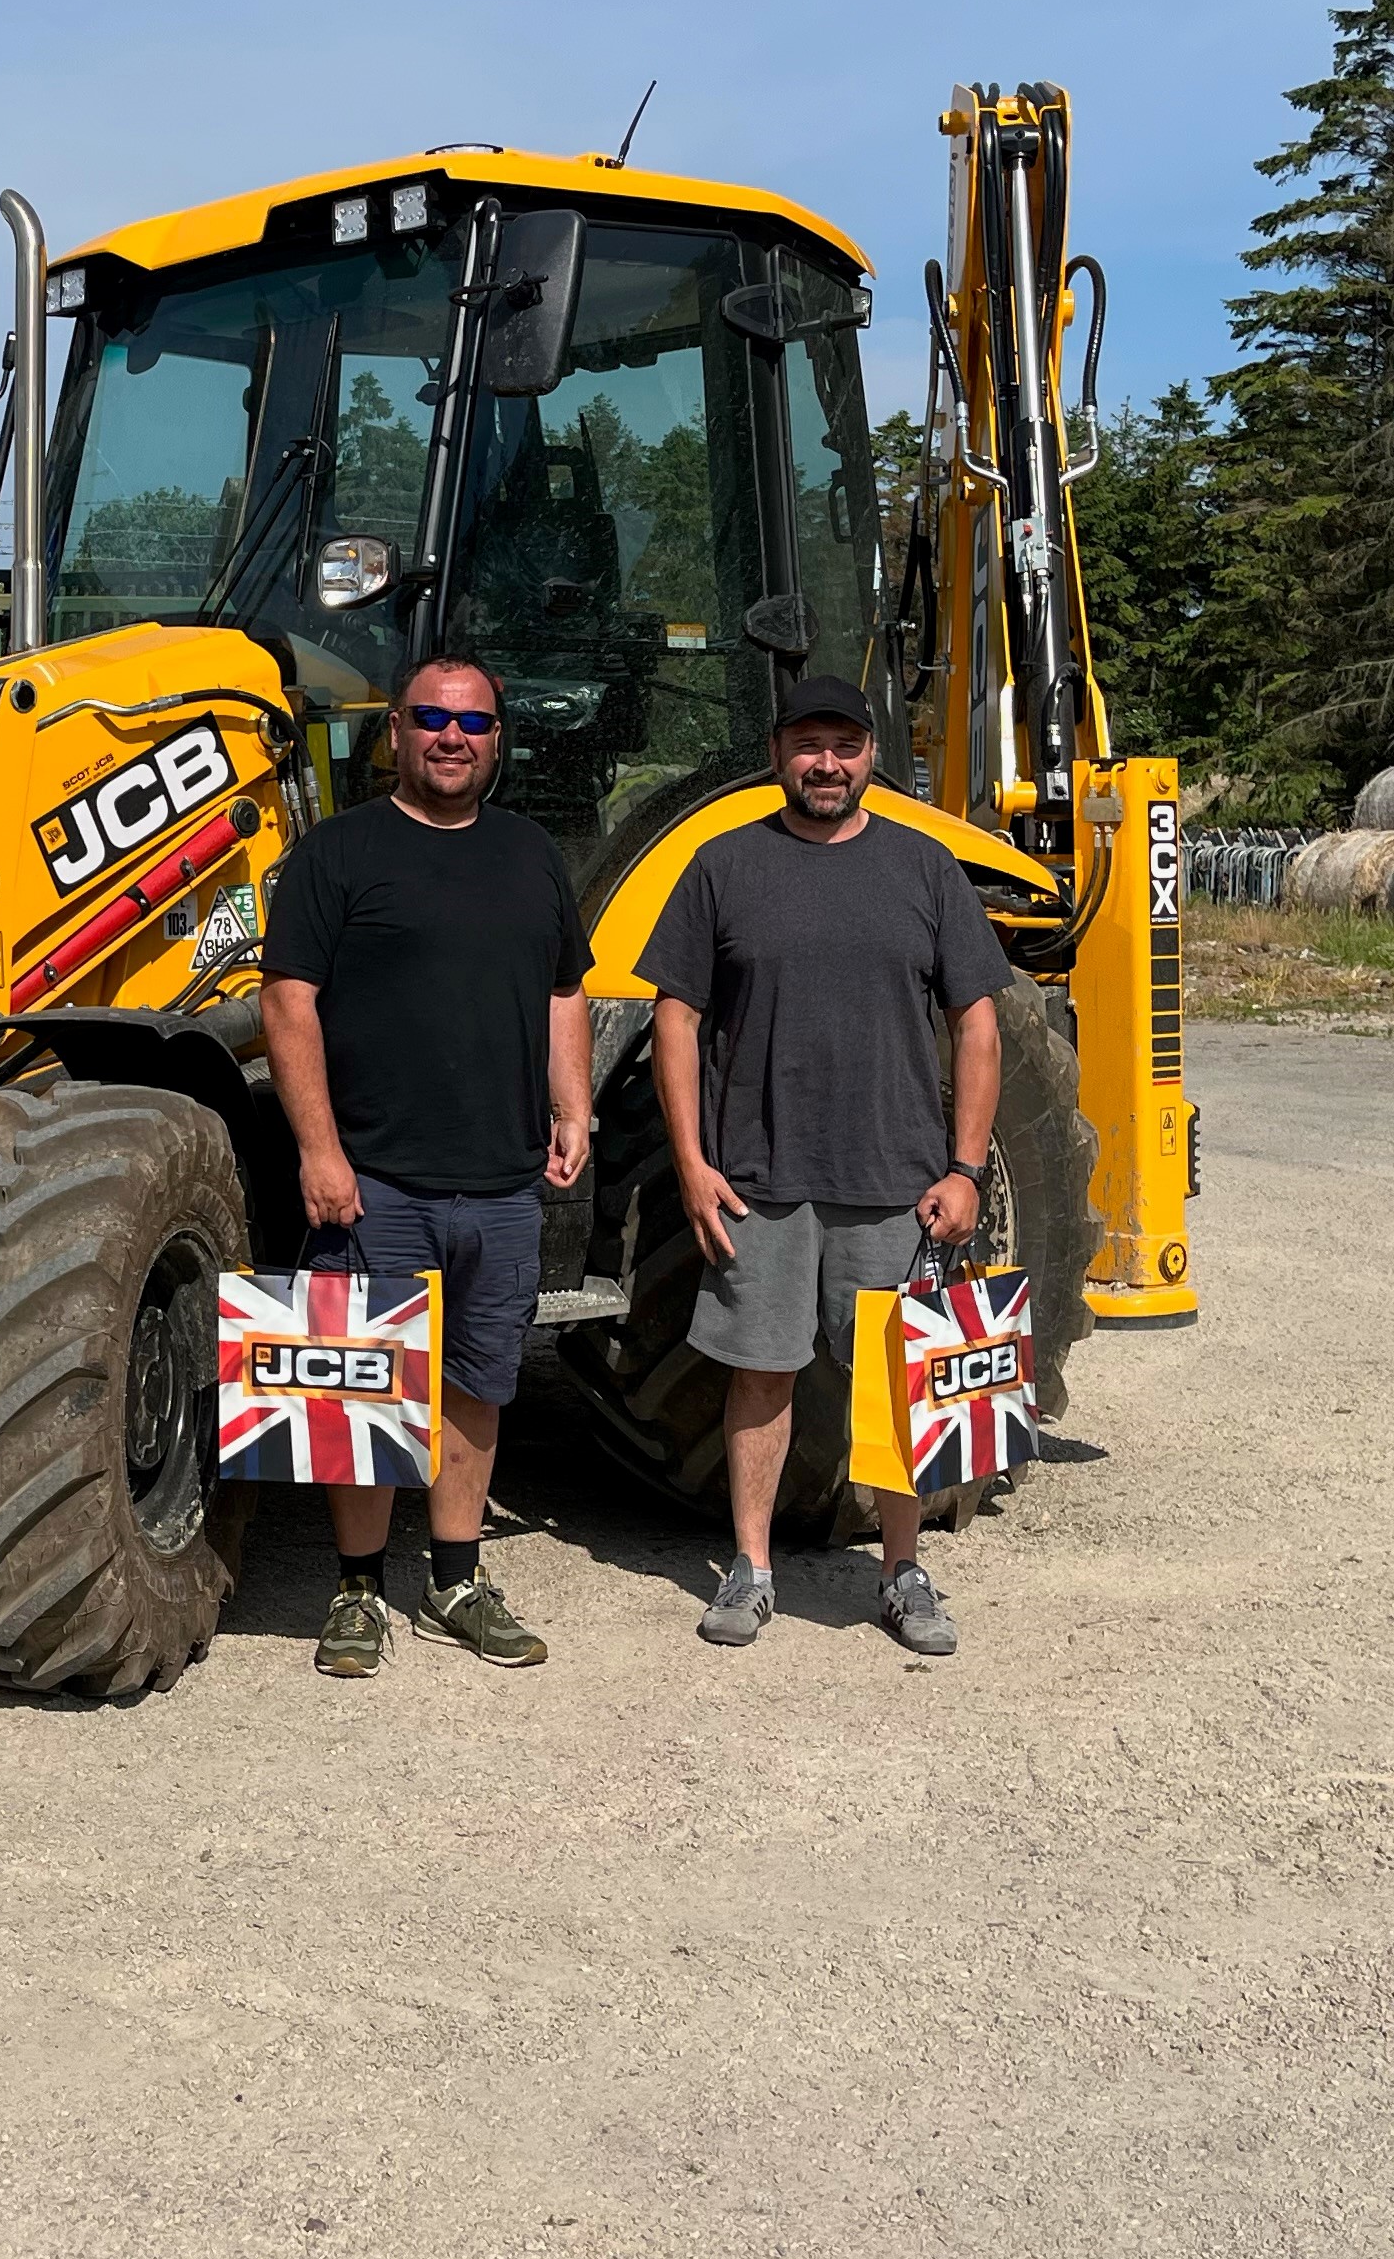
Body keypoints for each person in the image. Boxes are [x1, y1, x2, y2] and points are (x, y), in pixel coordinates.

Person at [639, 670, 1008, 1656]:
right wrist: (689, 1160)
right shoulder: (722, 866)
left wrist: (966, 1168)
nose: (828, 763)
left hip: (895, 1177)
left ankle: (902, 1570)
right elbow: (674, 1015)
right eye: (810, 744)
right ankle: (751, 1570)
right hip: (759, 1179)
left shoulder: (925, 870)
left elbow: (977, 1019)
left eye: (845, 745)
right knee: (761, 1371)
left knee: (892, 1383)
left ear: (871, 753)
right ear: (778, 753)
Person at [259, 653, 593, 1677]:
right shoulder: (342, 855)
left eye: (475, 721)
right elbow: (287, 1002)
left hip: (499, 1185)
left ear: (499, 738)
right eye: (433, 718)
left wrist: (572, 1105)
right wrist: (319, 1152)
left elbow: (564, 989)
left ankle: (454, 1578)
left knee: (475, 1388)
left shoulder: (531, 855)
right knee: (363, 1393)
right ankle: (358, 1589)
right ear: (395, 733)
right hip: (376, 1183)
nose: (454, 737)